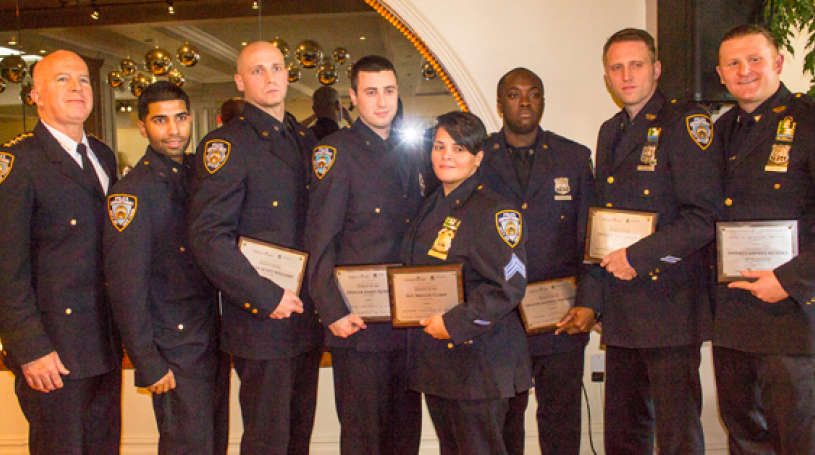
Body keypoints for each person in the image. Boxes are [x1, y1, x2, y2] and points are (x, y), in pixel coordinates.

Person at [560, 28, 723, 454]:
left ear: (656, 69)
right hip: (621, 307)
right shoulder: (610, 130)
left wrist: (639, 256)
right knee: (623, 434)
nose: (626, 75)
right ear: (606, 77)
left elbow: (704, 218)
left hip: (670, 305)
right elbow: (600, 223)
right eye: (616, 67)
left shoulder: (687, 122)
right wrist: (593, 299)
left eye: (636, 65)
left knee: (676, 436)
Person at [188, 41, 323, 455]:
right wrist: (266, 297)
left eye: (276, 68)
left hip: (305, 318)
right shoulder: (225, 145)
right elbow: (209, 238)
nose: (269, 77)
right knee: (267, 441)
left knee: (298, 437)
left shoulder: (305, 138)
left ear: (288, 74)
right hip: (262, 321)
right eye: (258, 70)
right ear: (240, 81)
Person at [0, 50, 122, 454]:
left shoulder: (102, 156)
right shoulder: (18, 162)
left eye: (84, 80)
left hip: (103, 343)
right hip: (54, 352)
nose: (77, 88)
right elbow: (6, 269)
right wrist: (31, 348)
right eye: (63, 79)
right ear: (35, 95)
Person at [305, 55, 425, 455]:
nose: (382, 101)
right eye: (371, 92)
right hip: (358, 328)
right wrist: (332, 310)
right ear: (353, 98)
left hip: (407, 326)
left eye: (389, 91)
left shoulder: (412, 151)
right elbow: (320, 240)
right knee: (363, 440)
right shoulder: (335, 153)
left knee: (405, 436)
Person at [103, 81, 229, 454]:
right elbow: (126, 287)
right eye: (161, 121)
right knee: (187, 446)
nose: (174, 130)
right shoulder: (131, 193)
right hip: (172, 346)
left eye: (181, 118)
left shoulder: (199, 175)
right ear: (143, 127)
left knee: (213, 443)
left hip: (210, 336)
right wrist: (148, 362)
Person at [403, 111, 532, 455]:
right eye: (440, 146)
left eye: (459, 149)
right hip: (443, 367)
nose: (446, 155)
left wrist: (454, 323)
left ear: (478, 158)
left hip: (483, 367)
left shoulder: (496, 211)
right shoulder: (431, 205)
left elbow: (509, 285)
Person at [712, 24, 815, 454]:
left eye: (754, 59)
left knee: (797, 437)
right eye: (733, 63)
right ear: (720, 75)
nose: (745, 71)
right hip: (733, 316)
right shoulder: (721, 132)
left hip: (791, 316)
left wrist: (790, 281)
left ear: (777, 62)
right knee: (744, 435)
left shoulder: (809, 121)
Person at [480, 67, 594, 455]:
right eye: (514, 94)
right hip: (500, 318)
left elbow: (588, 239)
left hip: (560, 316)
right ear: (499, 104)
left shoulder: (574, 157)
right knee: (504, 423)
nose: (524, 102)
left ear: (543, 101)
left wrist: (590, 303)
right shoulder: (477, 158)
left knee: (561, 423)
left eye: (533, 94)